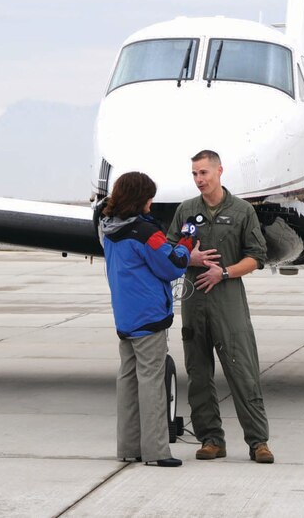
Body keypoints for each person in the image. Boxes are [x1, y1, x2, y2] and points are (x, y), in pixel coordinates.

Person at [166, 150, 274, 464]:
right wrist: (192, 258)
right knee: (198, 375)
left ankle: (258, 442)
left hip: (228, 302)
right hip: (194, 302)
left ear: (219, 172)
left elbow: (257, 257)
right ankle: (211, 440)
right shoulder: (186, 210)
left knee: (243, 371)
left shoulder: (242, 211)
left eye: (204, 173)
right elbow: (171, 248)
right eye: (195, 174)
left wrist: (223, 272)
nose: (199, 180)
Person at [100, 171, 195, 468]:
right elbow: (173, 265)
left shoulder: (108, 228)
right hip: (149, 318)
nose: (152, 203)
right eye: (150, 197)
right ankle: (156, 452)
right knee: (152, 383)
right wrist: (188, 240)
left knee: (127, 381)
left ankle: (128, 448)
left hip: (125, 318)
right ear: (141, 199)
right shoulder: (145, 232)